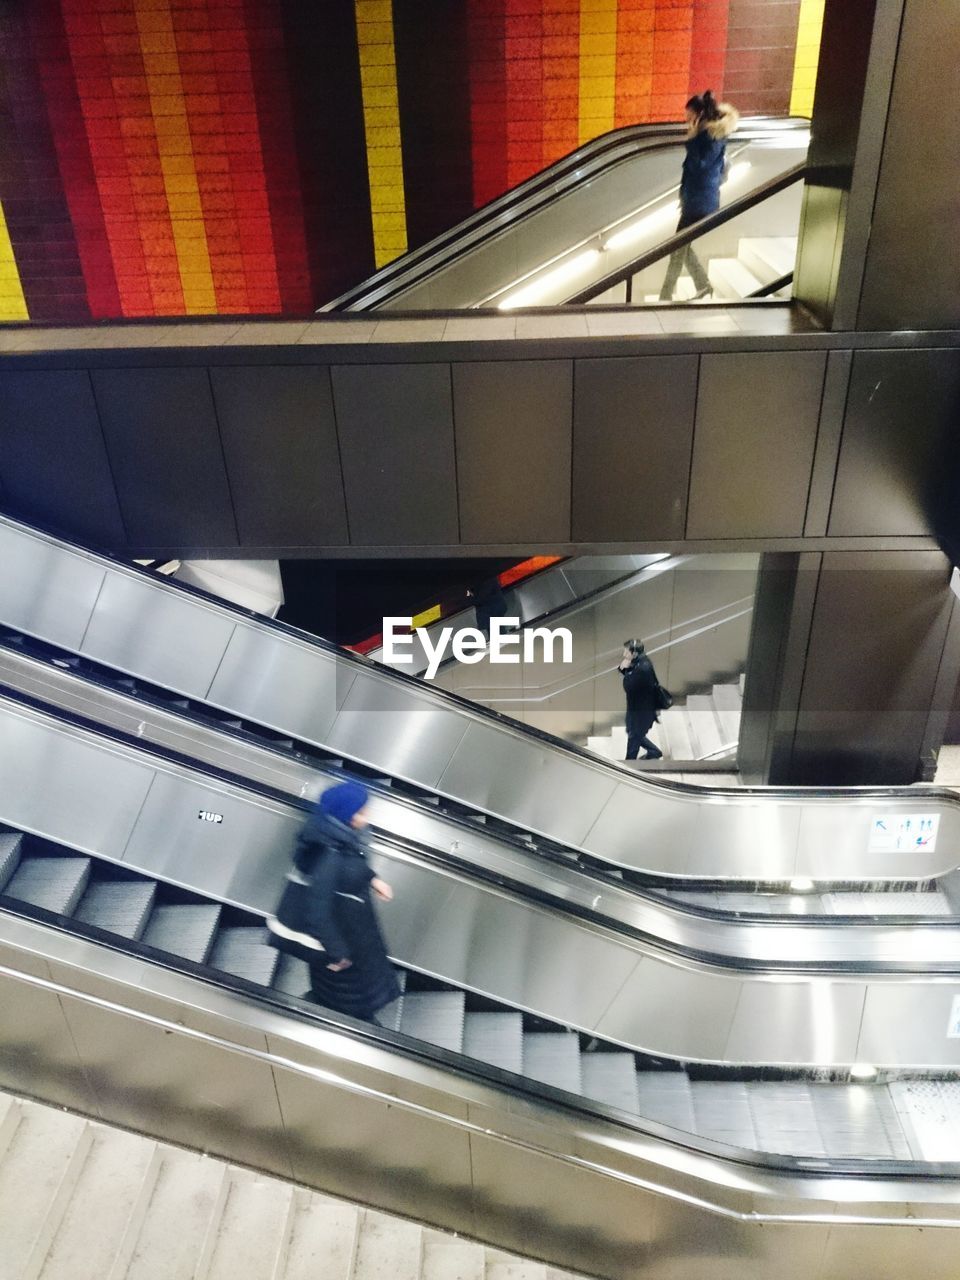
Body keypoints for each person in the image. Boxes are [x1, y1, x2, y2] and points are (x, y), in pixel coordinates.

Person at [267, 780, 400, 1023]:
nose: (367, 815)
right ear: (346, 816)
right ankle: (355, 1027)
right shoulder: (330, 857)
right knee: (349, 994)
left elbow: (354, 866)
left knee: (348, 990)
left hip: (351, 930)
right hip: (342, 942)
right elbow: (317, 911)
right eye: (361, 811)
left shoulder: (342, 837)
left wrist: (373, 880)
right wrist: (339, 954)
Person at [659, 89, 740, 302]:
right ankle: (702, 285)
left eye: (689, 116)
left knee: (677, 248)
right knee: (680, 247)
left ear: (699, 115)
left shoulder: (712, 137)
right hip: (694, 201)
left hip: (702, 203)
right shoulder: (707, 135)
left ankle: (665, 296)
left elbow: (700, 167)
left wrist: (692, 140)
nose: (686, 120)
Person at [619, 638, 663, 761]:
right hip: (636, 708)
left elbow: (628, 686)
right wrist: (624, 669)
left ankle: (629, 766)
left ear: (634, 653)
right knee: (632, 732)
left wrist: (625, 669)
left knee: (634, 737)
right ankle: (654, 751)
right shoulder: (640, 661)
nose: (624, 654)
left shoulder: (643, 668)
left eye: (626, 652)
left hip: (642, 711)